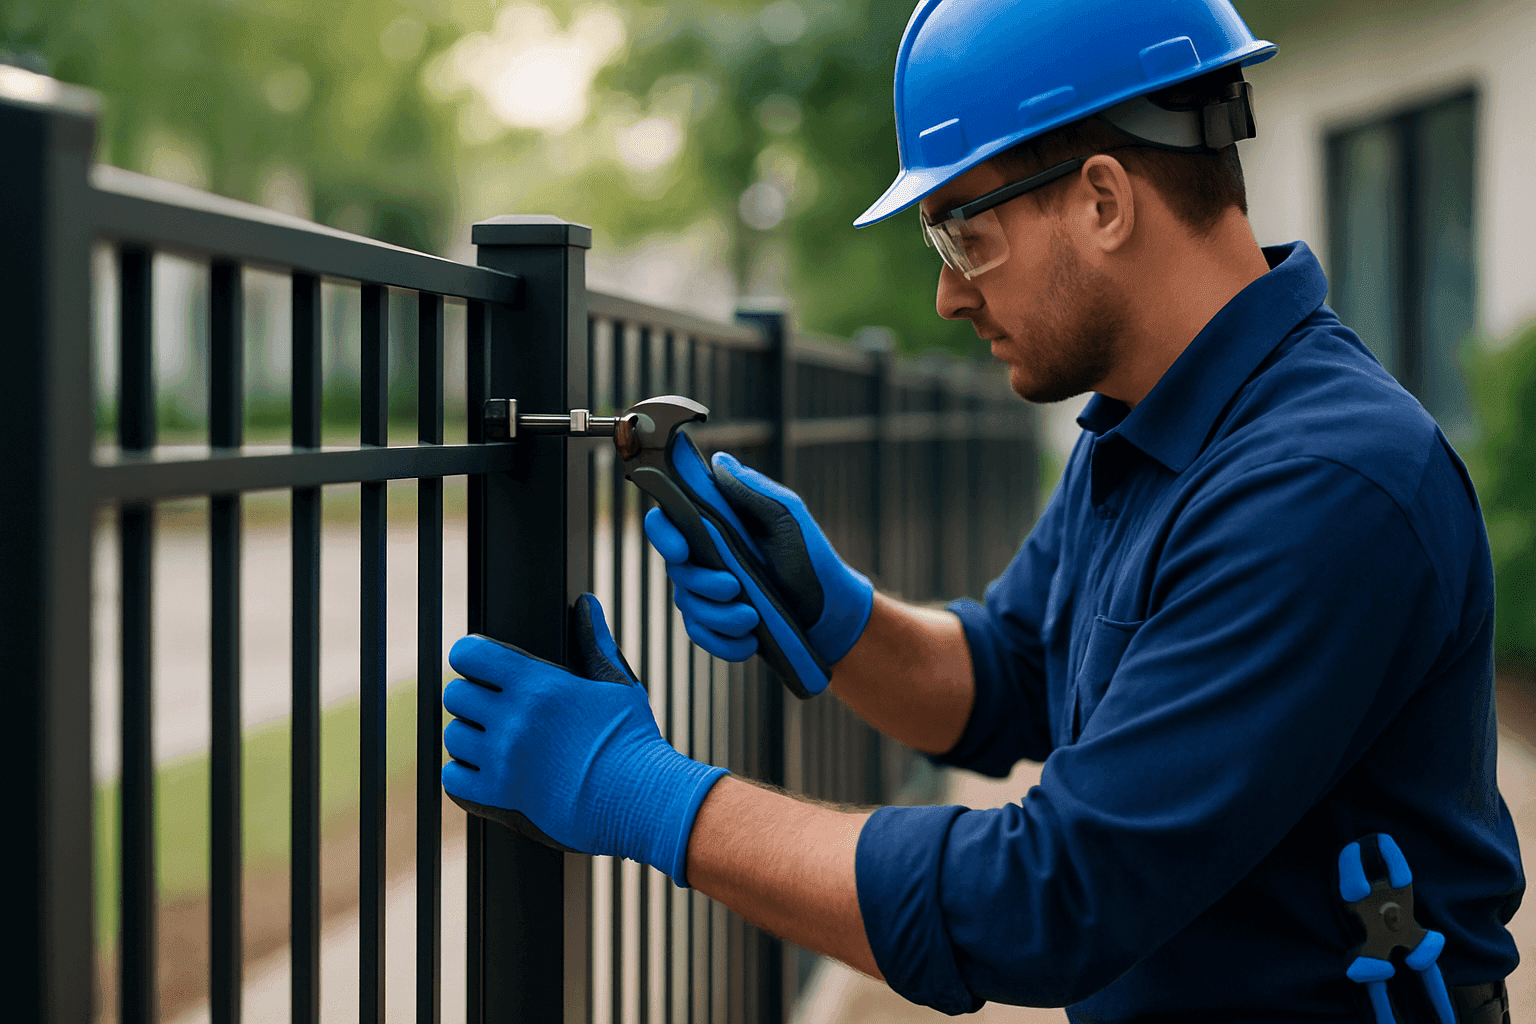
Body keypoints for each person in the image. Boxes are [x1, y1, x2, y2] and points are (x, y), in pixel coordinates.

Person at [440, 0, 1523, 1019]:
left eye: (963, 233)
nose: (950, 294)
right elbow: (1013, 675)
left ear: (1103, 201)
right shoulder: (1150, 420)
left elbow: (1048, 898)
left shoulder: (1324, 484)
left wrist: (637, 791)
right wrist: (834, 613)